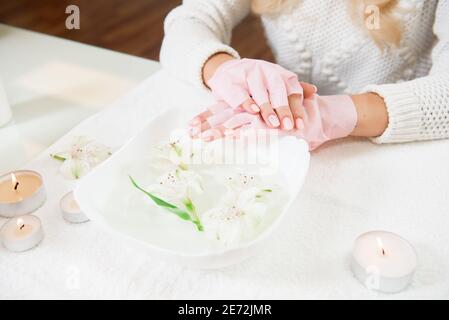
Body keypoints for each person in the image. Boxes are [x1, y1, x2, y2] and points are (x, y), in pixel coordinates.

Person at [160, 0, 448, 150]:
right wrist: (220, 67)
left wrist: (331, 113)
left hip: (396, 143)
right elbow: (191, 19)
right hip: (290, 139)